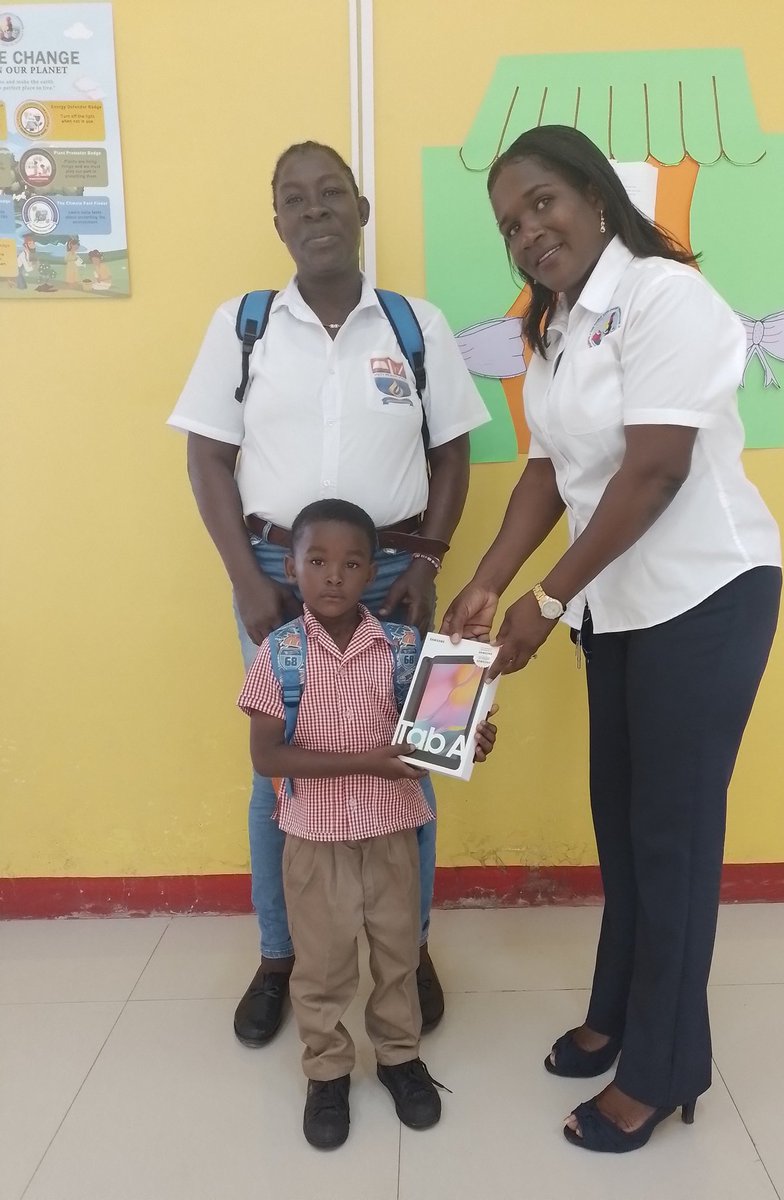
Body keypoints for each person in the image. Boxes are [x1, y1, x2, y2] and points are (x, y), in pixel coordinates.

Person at [442, 125, 782, 1154]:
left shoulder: (665, 296)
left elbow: (654, 470)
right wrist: (490, 579)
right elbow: (550, 471)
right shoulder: (555, 325)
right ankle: (619, 1015)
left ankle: (664, 1067)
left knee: (672, 840)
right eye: (510, 223)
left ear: (594, 195)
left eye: (542, 202)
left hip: (706, 595)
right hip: (621, 606)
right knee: (625, 827)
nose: (528, 231)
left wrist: (541, 604)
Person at [168, 140, 489, 1048]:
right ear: (277, 220)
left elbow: (453, 451)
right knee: (281, 777)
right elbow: (206, 457)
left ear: (362, 211)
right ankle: (282, 957)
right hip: (278, 581)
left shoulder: (412, 324)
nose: (315, 211)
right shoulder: (244, 323)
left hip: (399, 578)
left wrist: (428, 564)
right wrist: (247, 584)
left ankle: (408, 945)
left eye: (332, 194)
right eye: (295, 199)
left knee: (415, 758)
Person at [238, 500, 498, 1149]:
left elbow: (433, 738)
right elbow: (266, 756)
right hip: (312, 842)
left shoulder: (407, 649)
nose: (333, 576)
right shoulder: (279, 656)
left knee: (397, 952)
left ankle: (399, 1057)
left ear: (371, 571)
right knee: (321, 965)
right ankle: (327, 1071)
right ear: (292, 567)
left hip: (392, 835)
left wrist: (466, 737)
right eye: (317, 561)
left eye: (351, 563)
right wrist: (368, 762)